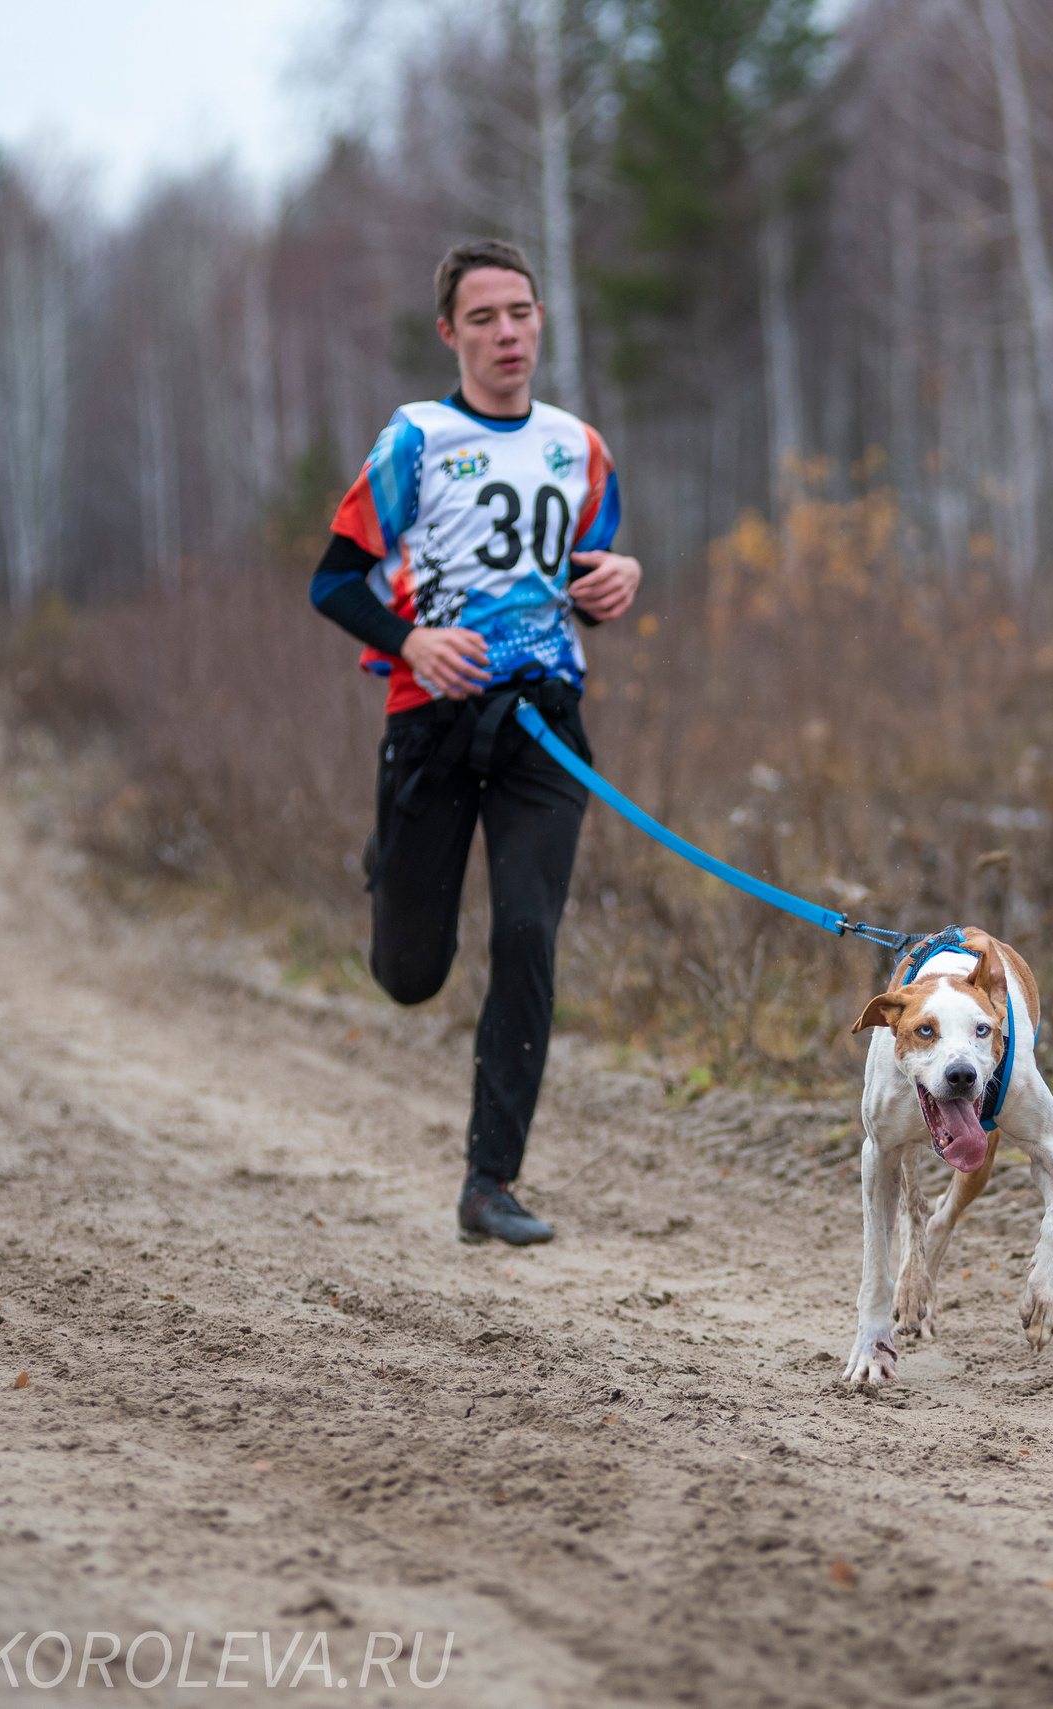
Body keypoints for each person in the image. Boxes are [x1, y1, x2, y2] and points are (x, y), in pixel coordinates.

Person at [307, 238, 640, 1247]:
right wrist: (410, 637)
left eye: (522, 312)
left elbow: (586, 574)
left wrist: (617, 582)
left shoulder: (579, 448)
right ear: (450, 332)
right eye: (486, 317)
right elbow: (332, 581)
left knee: (529, 933)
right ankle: (392, 864)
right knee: (410, 972)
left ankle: (489, 1181)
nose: (508, 333)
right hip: (432, 719)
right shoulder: (414, 438)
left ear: (542, 322)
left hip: (544, 720)